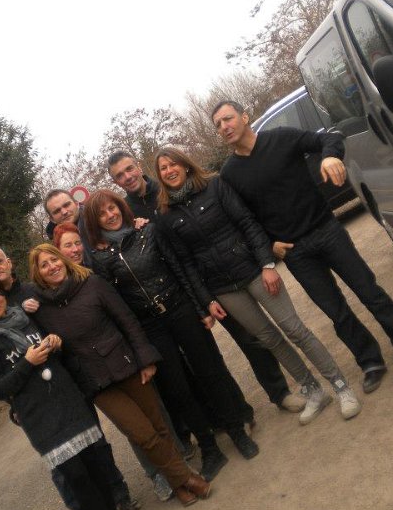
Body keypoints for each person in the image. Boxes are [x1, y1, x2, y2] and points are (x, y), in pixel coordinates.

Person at [212, 100, 393, 394]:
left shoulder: (282, 138)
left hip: (326, 231)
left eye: (227, 119)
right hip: (296, 252)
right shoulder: (230, 174)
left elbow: (330, 138)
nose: (224, 127)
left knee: (369, 291)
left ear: (244, 117)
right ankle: (370, 361)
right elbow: (244, 219)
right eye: (218, 124)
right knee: (336, 312)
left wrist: (329, 158)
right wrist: (269, 244)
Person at [154, 147, 362, 425]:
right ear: (159, 176)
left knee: (295, 329)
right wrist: (207, 300)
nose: (169, 171)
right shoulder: (166, 215)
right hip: (223, 288)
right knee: (269, 339)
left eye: (173, 164)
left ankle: (341, 387)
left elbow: (247, 222)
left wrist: (267, 264)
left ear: (185, 165)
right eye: (163, 168)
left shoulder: (215, 185)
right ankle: (313, 390)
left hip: (253, 270)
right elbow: (186, 263)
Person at [107, 150, 306, 415]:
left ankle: (280, 393)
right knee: (207, 358)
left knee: (251, 337)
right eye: (119, 175)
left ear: (138, 166)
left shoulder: (167, 187)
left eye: (129, 169)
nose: (127, 177)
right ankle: (235, 412)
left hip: (214, 274)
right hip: (179, 292)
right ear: (116, 181)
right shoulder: (125, 211)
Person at [84, 188, 256, 470]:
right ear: (95, 222)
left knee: (210, 371)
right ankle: (209, 449)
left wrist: (200, 308)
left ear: (120, 208)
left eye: (112, 208)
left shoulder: (148, 231)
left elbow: (179, 269)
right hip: (150, 325)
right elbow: (116, 304)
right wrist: (138, 345)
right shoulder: (100, 258)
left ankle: (237, 431)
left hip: (180, 308)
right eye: (102, 214)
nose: (110, 215)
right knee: (179, 388)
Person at [28, 244, 212, 507]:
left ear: (63, 261)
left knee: (159, 425)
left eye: (53, 260)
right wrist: (53, 344)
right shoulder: (40, 310)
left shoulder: (92, 283)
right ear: (38, 274)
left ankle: (177, 483)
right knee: (142, 434)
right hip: (96, 382)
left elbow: (127, 321)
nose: (51, 267)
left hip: (126, 364)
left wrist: (145, 359)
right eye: (44, 265)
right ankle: (186, 478)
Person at [0, 245, 140, 510]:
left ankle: (117, 496)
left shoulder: (33, 290)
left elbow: (60, 322)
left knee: (95, 450)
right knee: (69, 472)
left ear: (9, 262)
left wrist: (55, 340)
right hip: (39, 409)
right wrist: (15, 402)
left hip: (68, 387)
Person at [50, 226, 177, 502]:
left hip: (125, 357)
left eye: (77, 243)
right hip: (97, 374)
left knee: (155, 413)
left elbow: (124, 317)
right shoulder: (49, 293)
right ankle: (157, 474)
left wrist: (143, 356)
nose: (74, 249)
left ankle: (176, 466)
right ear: (56, 251)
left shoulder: (94, 272)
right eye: (67, 246)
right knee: (134, 426)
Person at [44, 189, 92, 266]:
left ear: (76, 203)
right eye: (57, 211)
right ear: (52, 219)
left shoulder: (96, 218)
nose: (64, 212)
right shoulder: (55, 245)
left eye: (66, 205)